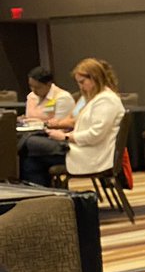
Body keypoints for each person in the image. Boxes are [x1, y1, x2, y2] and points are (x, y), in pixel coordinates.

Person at [19, 58, 124, 186]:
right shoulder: (89, 98)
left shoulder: (106, 100)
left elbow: (95, 135)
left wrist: (65, 136)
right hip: (78, 146)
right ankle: (46, 199)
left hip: (88, 153)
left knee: (30, 142)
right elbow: (73, 117)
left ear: (95, 78)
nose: (80, 87)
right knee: (30, 160)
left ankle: (47, 198)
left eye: (82, 82)